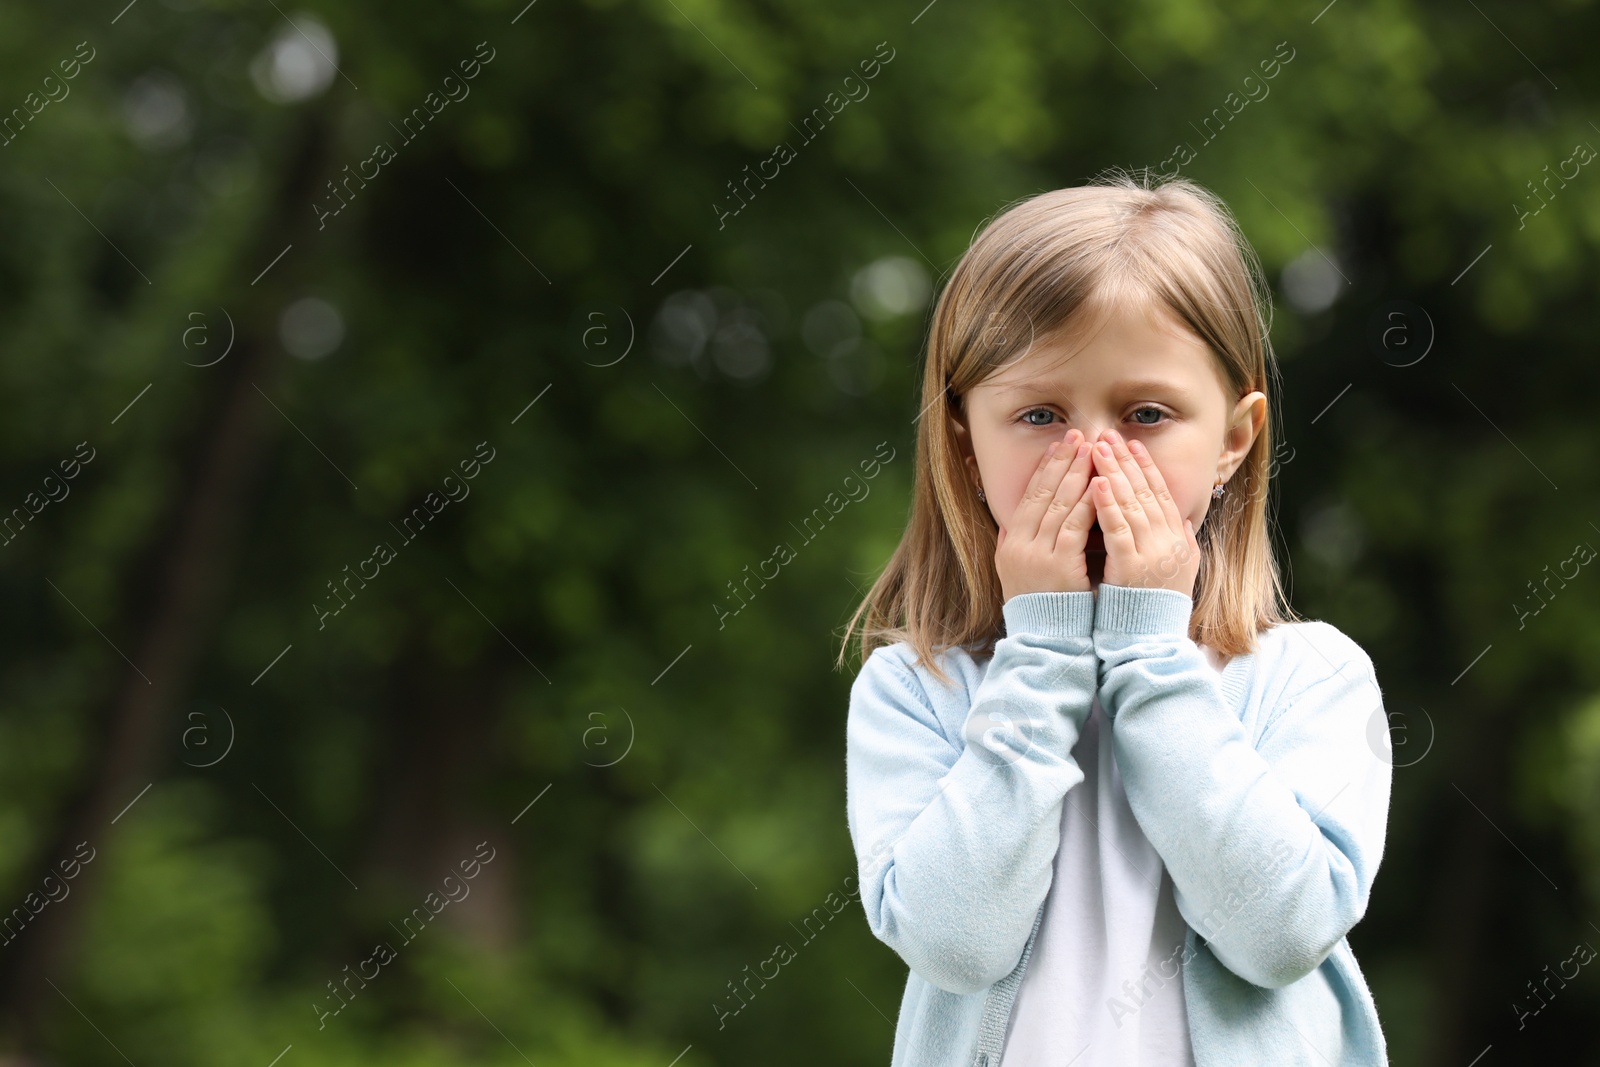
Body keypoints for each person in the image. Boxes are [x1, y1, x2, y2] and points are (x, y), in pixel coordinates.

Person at [839, 169, 1392, 1066]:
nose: (1093, 454)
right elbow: (954, 943)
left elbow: (1283, 932)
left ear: (1234, 438)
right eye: (1039, 413)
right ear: (964, 441)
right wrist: (1046, 651)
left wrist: (1149, 651)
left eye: (1145, 413)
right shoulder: (918, 689)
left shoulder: (1312, 677)